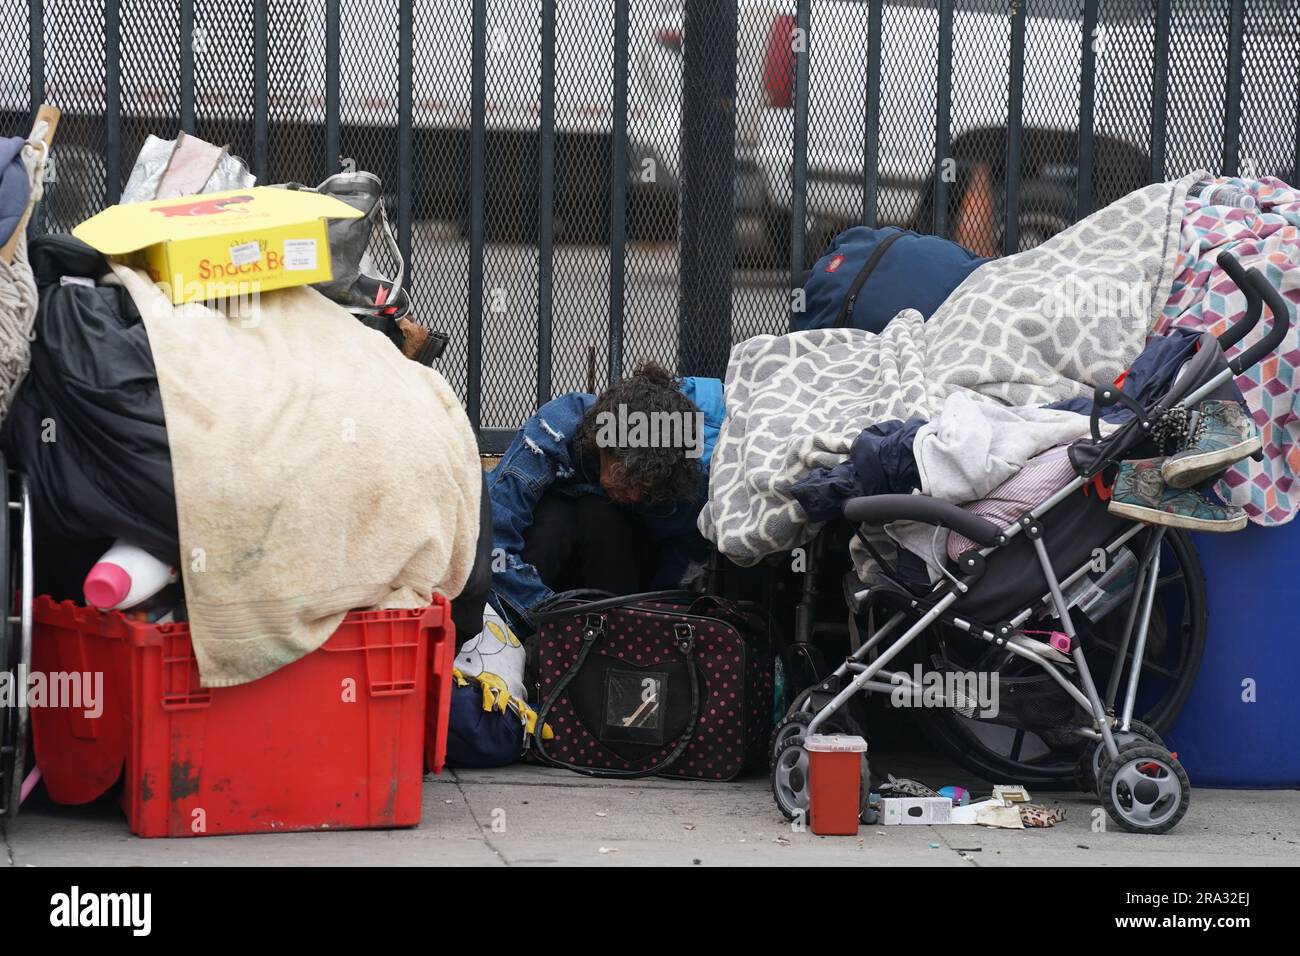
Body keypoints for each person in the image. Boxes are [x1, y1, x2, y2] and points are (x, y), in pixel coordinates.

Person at [460, 361, 725, 639]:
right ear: (601, 443)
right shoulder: (556, 427)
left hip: (624, 589)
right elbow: (495, 538)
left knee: (600, 514)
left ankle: (611, 639)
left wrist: (650, 628)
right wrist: (547, 616)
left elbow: (680, 574)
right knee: (567, 512)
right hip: (537, 583)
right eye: (627, 479)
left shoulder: (685, 470)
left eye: (645, 487)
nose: (634, 494)